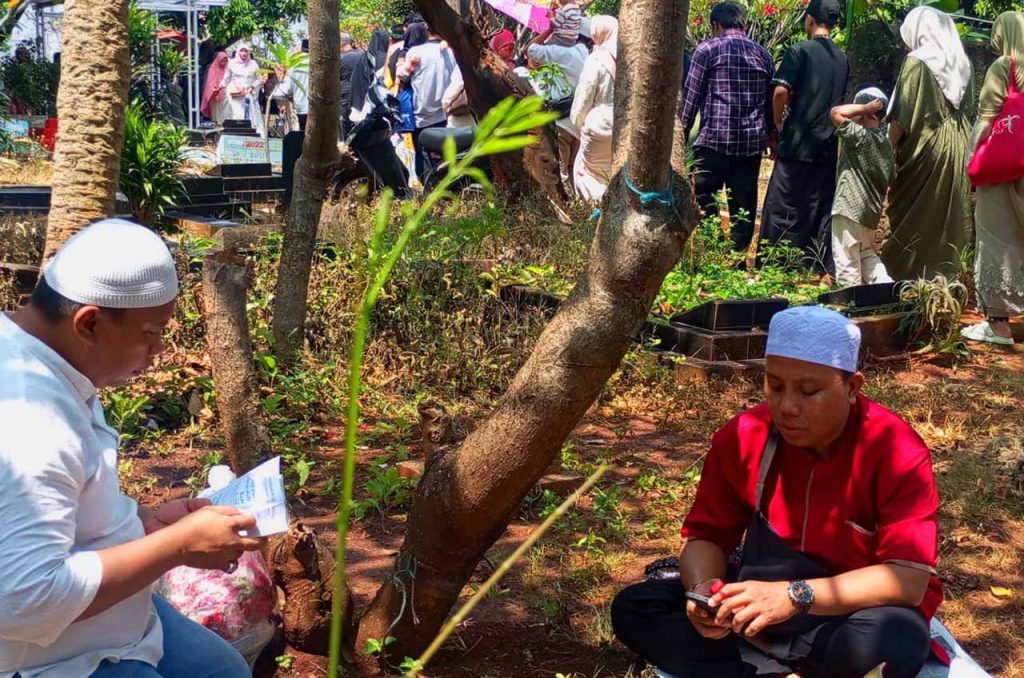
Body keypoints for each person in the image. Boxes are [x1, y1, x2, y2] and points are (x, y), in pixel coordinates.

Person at [611, 305, 942, 678]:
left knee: (895, 640)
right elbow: (705, 535)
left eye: (809, 391)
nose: (787, 407)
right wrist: (704, 590)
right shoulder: (743, 437)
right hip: (755, 608)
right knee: (635, 607)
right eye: (775, 385)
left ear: (852, 387)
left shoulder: (895, 450)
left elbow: (908, 580)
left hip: (842, 615)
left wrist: (794, 596)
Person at [0, 219, 262, 678]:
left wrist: (146, 523)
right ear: (90, 322)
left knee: (221, 669)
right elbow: (25, 602)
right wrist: (174, 547)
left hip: (112, 624)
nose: (159, 349)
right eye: (151, 333)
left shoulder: (43, 358)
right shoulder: (32, 422)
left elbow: (59, 507)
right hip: (49, 658)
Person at [757, 0, 849, 275]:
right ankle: (814, 267)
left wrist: (777, 122)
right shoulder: (842, 58)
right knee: (817, 206)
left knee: (781, 204)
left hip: (797, 141)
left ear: (809, 20)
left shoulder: (799, 51)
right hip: (827, 144)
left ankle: (775, 264)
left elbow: (780, 92)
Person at [884, 6, 975, 281]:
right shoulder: (963, 64)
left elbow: (901, 115)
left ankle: (908, 281)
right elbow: (969, 107)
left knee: (914, 214)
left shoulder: (917, 62)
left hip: (927, 147)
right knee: (949, 217)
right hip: (960, 144)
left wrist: (887, 150)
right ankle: (948, 281)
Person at [680, 2, 775, 254]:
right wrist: (771, 136)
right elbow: (769, 102)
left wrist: (680, 136)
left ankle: (712, 252)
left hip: (714, 142)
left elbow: (691, 98)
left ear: (715, 25)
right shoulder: (762, 54)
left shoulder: (707, 50)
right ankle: (737, 259)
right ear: (742, 24)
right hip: (750, 145)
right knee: (743, 206)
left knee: (703, 196)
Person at [963, 11, 1024, 346]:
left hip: (1004, 170)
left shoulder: (1005, 67)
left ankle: (998, 326)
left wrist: (971, 160)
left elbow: (985, 121)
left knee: (996, 238)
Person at [829, 88, 895, 288]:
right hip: (870, 214)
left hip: (848, 207)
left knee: (846, 256)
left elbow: (835, 113)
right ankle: (884, 285)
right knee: (866, 253)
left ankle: (850, 299)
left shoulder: (859, 135)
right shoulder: (886, 144)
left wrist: (864, 108)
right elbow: (892, 177)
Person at [571, 15, 618, 203]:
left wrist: (578, 122)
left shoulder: (597, 59)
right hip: (624, 126)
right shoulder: (629, 60)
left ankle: (599, 211)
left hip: (599, 126)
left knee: (585, 174)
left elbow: (584, 96)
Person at [404, 25, 456, 178]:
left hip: (422, 116)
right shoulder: (451, 52)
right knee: (447, 157)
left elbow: (403, 77)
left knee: (424, 161)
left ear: (427, 31)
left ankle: (430, 193)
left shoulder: (415, 53)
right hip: (446, 114)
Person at [221, 43, 264, 134]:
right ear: (238, 52)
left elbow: (260, 79)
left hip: (249, 96)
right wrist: (219, 87)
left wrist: (252, 86)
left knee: (251, 119)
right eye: (241, 51)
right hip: (236, 97)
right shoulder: (231, 63)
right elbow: (226, 79)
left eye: (246, 51)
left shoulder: (253, 64)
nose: (243, 53)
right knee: (236, 116)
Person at [340, 32, 374, 137]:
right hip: (364, 96)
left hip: (345, 97)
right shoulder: (363, 55)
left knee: (346, 127)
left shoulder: (339, 59)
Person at [201, 50, 231, 124]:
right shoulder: (212, 69)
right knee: (216, 117)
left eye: (225, 61)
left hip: (226, 97)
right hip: (215, 97)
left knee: (226, 116)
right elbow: (209, 83)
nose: (223, 63)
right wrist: (214, 89)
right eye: (222, 60)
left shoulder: (228, 70)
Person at [290, 40, 310, 130]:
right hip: (316, 104)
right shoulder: (317, 62)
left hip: (301, 102)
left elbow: (290, 86)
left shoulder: (295, 63)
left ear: (301, 48)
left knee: (303, 129)